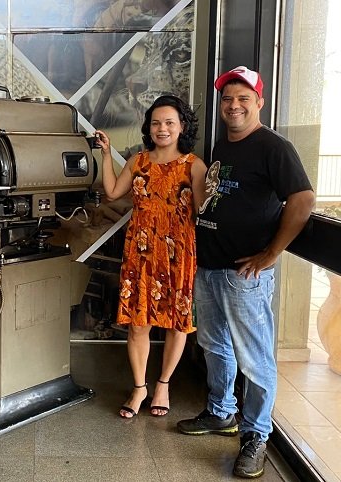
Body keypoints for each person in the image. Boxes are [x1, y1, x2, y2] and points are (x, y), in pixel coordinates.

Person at [176, 66, 315, 478]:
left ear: (259, 102)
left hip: (245, 276)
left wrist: (271, 253)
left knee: (255, 360)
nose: (233, 106)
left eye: (242, 99)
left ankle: (256, 435)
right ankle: (221, 412)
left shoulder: (274, 147)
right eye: (227, 99)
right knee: (214, 345)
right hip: (210, 266)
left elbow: (303, 199)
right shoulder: (224, 145)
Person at [95, 94, 208, 419]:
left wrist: (213, 190)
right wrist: (106, 154)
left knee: (176, 324)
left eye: (169, 122)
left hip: (178, 253)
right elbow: (112, 192)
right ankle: (139, 387)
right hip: (141, 253)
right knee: (137, 325)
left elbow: (202, 208)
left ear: (182, 126)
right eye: (156, 122)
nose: (162, 128)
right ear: (149, 127)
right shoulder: (138, 161)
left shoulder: (194, 165)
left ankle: (163, 384)